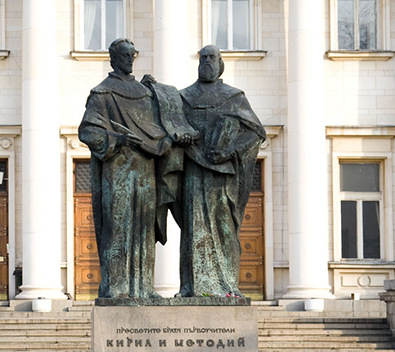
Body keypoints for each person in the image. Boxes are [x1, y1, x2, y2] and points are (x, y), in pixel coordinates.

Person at [78, 38, 195, 298]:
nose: (130, 59)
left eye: (133, 55)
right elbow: (88, 131)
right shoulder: (102, 93)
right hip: (117, 169)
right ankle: (117, 288)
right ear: (113, 58)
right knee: (118, 227)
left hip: (146, 169)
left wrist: (171, 138)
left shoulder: (145, 93)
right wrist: (118, 139)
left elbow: (161, 125)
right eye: (125, 55)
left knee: (144, 229)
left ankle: (143, 288)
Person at [175, 45, 266, 297]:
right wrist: (182, 137)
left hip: (223, 176)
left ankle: (227, 285)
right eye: (203, 58)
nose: (207, 62)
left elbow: (255, 132)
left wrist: (229, 151)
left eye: (212, 58)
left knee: (225, 227)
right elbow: (173, 127)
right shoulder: (184, 97)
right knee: (193, 228)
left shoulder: (233, 97)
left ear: (220, 63)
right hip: (194, 172)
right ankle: (191, 286)